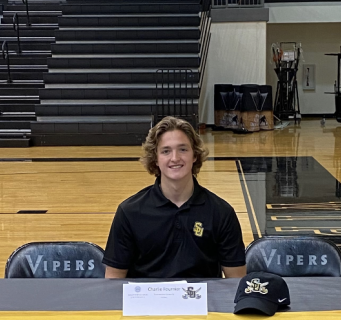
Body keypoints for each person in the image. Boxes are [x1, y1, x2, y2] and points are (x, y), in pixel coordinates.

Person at [103, 116, 247, 279]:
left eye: (183, 149)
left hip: (202, 304)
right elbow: (113, 282)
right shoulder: (129, 212)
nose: (175, 158)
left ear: (195, 155)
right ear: (155, 158)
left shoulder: (222, 213)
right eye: (166, 151)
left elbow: (236, 283)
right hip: (149, 304)